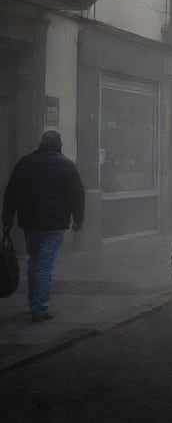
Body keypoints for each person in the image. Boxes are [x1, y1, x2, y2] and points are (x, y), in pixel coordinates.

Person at [1, 130, 84, 323]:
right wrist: (78, 218)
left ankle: (33, 303)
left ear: (41, 144)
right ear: (59, 145)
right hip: (54, 224)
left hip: (29, 222)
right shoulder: (67, 165)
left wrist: (7, 220)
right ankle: (40, 309)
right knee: (44, 265)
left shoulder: (25, 162)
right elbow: (77, 194)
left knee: (34, 261)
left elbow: (10, 192)